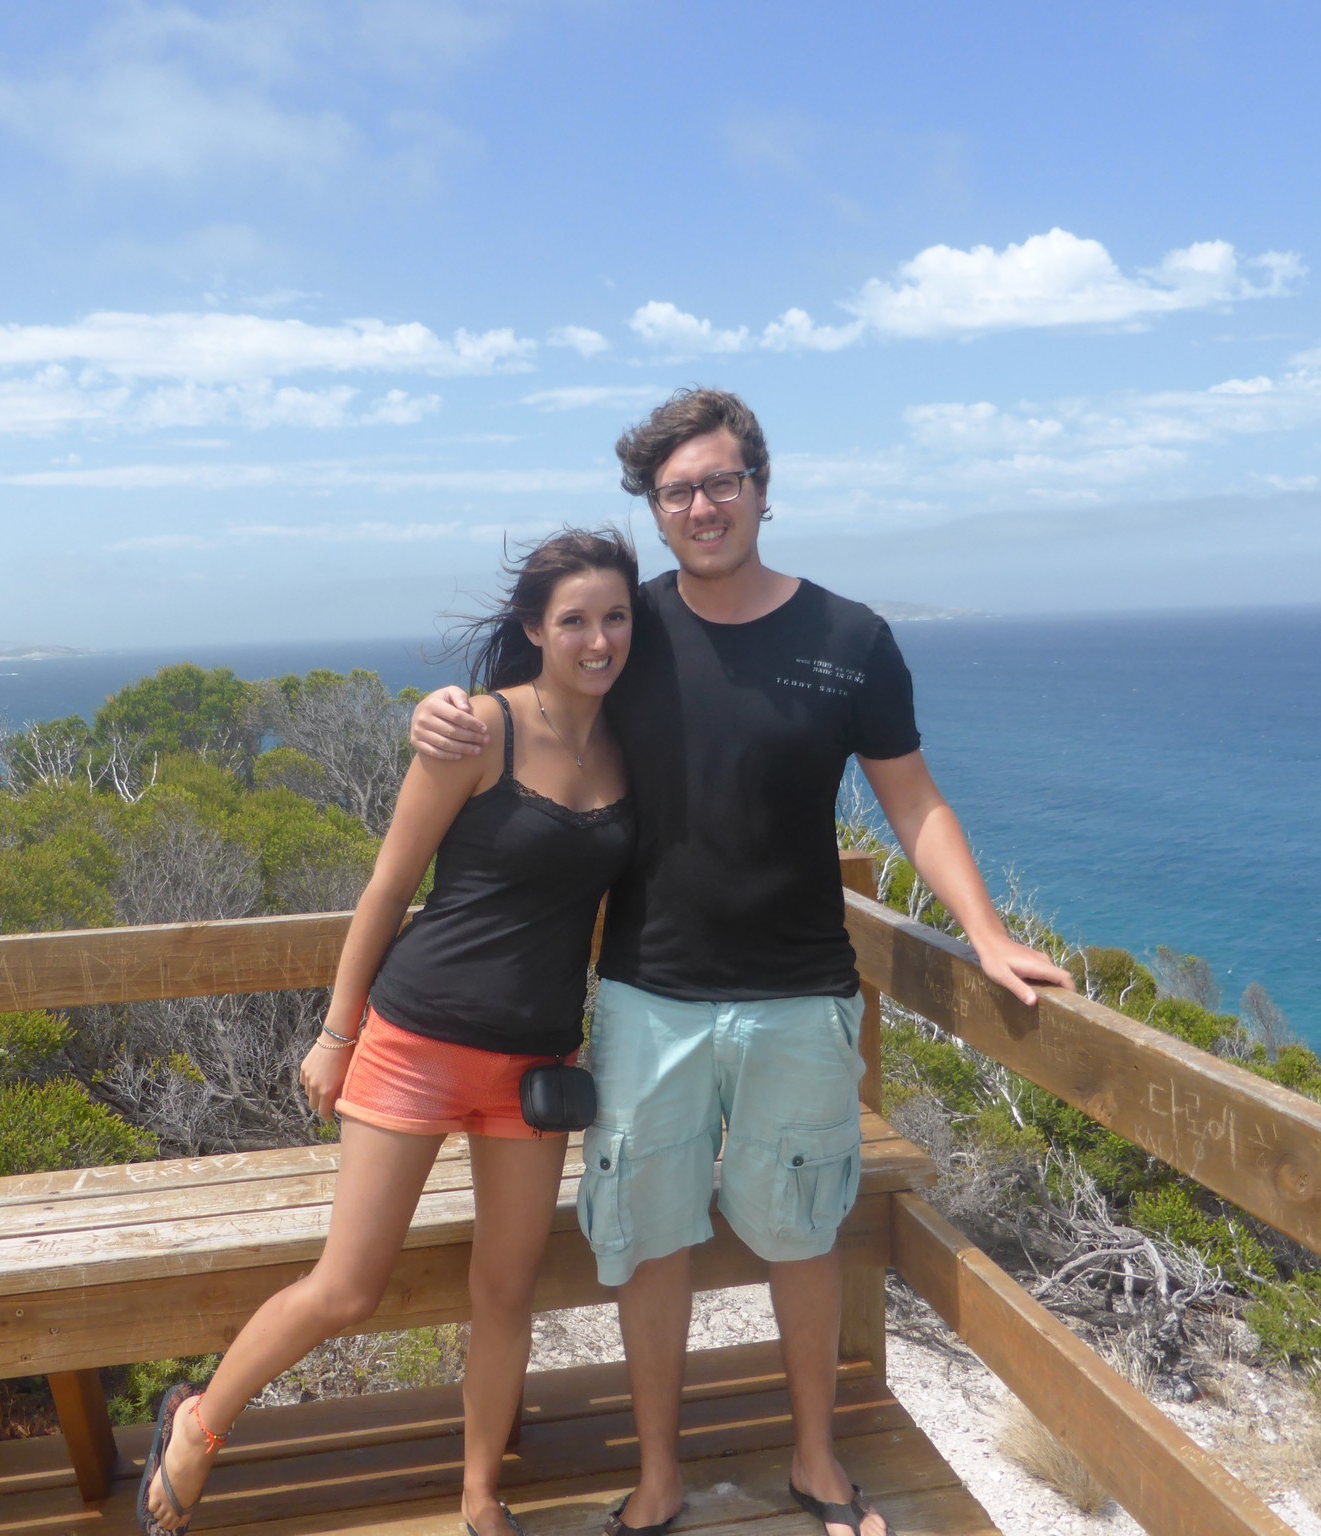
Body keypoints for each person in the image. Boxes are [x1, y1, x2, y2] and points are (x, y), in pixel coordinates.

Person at [410, 389, 1074, 1536]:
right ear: (654, 509)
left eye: (721, 481)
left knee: (802, 1235)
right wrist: (436, 715)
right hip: (645, 994)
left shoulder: (850, 640)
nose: (702, 506)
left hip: (801, 994)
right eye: (676, 491)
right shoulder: (630, 629)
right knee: (647, 1243)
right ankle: (659, 1476)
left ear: (762, 488)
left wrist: (984, 932)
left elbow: (912, 800)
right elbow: (524, 699)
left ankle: (816, 1461)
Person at [140, 528, 640, 1536]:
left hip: (536, 1063)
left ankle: (479, 1492)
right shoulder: (477, 732)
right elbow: (387, 885)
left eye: (616, 617)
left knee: (506, 1293)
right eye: (574, 620)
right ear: (533, 628)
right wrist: (337, 1033)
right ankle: (198, 1421)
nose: (598, 639)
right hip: (415, 1040)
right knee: (348, 1287)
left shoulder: (635, 744)